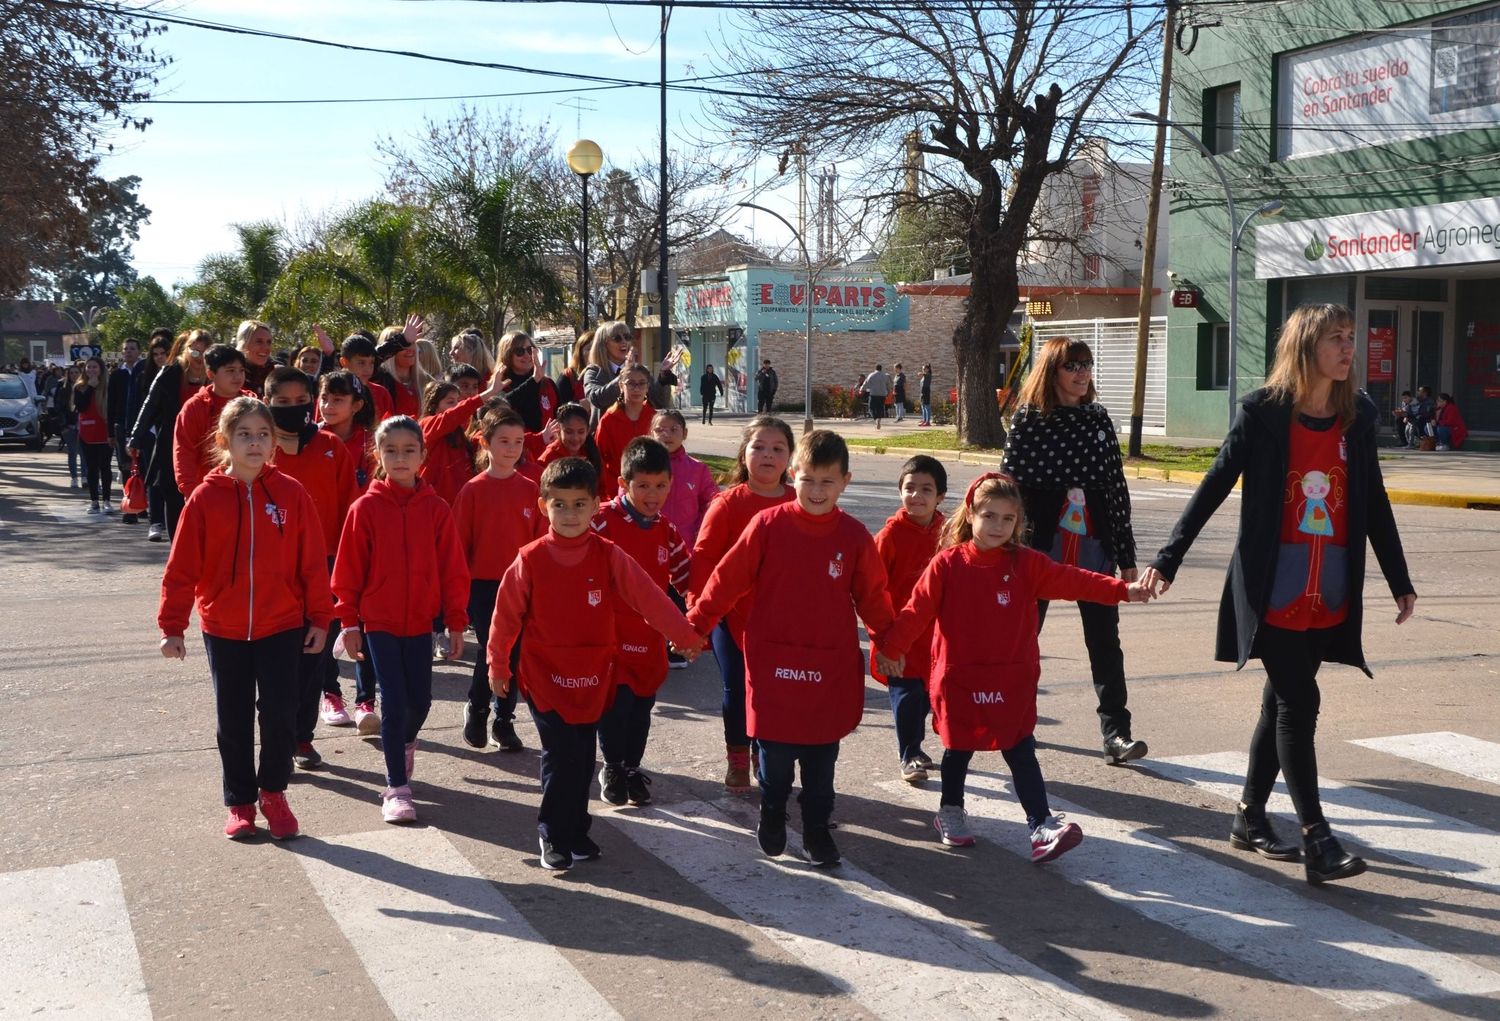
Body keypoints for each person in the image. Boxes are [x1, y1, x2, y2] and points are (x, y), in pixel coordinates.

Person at [1141, 302, 1417, 885]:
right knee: (1300, 703)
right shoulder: (1263, 414)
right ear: (1305, 347)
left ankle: (1248, 816)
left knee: (1280, 701)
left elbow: (1374, 502)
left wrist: (1399, 579)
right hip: (1274, 585)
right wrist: (1168, 559)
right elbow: (1214, 484)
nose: (1348, 348)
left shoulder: (1358, 416)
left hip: (1330, 584)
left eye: (1351, 337)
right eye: (1336, 339)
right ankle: (1317, 837)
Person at [879, 473, 1151, 858]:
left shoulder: (1027, 564)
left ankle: (1041, 825)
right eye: (989, 516)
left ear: (1018, 523)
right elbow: (915, 612)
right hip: (959, 677)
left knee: (1020, 748)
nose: (998, 526)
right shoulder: (947, 565)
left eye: (1008, 519)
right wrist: (891, 649)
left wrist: (1124, 590)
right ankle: (950, 812)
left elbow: (1075, 580)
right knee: (958, 748)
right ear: (970, 514)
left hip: (1011, 678)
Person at [688, 430, 896, 868]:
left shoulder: (855, 537)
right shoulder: (766, 525)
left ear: (845, 482)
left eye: (827, 481)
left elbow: (874, 598)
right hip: (772, 660)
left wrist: (889, 642)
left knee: (822, 760)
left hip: (829, 662)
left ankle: (818, 831)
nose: (816, 491)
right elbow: (727, 579)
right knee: (776, 757)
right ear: (793, 475)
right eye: (808, 480)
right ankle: (772, 811)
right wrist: (696, 625)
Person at [486, 457, 703, 870]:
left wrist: (685, 635)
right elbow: (505, 616)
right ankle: (552, 834)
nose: (570, 514)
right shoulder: (530, 559)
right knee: (560, 753)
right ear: (543, 504)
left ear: (596, 504)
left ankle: (577, 830)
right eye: (560, 504)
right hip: (544, 676)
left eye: (580, 504)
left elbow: (649, 597)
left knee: (584, 755)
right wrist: (499, 666)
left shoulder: (608, 555)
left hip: (592, 676)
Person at [158, 397, 333, 840]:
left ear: (274, 441)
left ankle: (273, 792)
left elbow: (312, 561)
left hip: (282, 625)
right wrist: (172, 626)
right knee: (231, 720)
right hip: (225, 628)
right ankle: (240, 802)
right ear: (224, 441)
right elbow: (181, 568)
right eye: (244, 435)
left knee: (280, 715)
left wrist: (320, 617)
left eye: (262, 435)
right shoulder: (205, 498)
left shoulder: (291, 494)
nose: (254, 443)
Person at [1002, 336, 1147, 766]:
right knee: (1024, 639)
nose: (1083, 373)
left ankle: (1116, 734)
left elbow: (1115, 490)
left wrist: (1126, 557)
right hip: (1039, 547)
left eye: (1087, 364)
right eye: (1073, 366)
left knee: (1105, 642)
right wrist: (1002, 551)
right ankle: (1016, 722)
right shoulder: (1029, 421)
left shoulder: (1098, 419)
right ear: (1053, 372)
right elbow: (1009, 490)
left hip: (1094, 546)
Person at [332, 415, 470, 824]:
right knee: (392, 701)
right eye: (390, 450)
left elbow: (453, 570)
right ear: (378, 454)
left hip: (422, 623)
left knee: (420, 701)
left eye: (409, 450)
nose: (400, 458)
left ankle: (406, 741)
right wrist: (349, 622)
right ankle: (396, 787)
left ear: (423, 456)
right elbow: (348, 570)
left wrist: (456, 621)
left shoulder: (437, 509)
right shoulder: (366, 508)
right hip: (379, 622)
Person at [687, 415, 795, 791]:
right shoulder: (727, 504)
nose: (768, 455)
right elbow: (703, 560)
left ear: (790, 458)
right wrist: (696, 616)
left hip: (782, 623)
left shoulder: (800, 502)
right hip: (730, 618)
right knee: (737, 687)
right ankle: (737, 756)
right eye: (759, 447)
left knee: (776, 692)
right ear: (743, 454)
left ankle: (765, 754)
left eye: (778, 448)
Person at [263, 366, 360, 771]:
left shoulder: (332, 448)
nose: (292, 408)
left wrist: (346, 570)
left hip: (323, 570)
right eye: (281, 402)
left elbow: (350, 512)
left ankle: (302, 738)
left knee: (312, 661)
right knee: (272, 670)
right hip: (269, 572)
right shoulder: (259, 449)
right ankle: (277, 742)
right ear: (267, 403)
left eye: (299, 401)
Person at [590, 437, 693, 807]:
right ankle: (613, 767)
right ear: (623, 483)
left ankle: (633, 768)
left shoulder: (666, 530)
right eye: (643, 485)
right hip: (610, 639)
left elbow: (688, 579)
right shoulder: (600, 521)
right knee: (615, 708)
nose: (653, 494)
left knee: (641, 710)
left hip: (650, 642)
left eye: (661, 485)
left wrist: (696, 620)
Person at [455, 403, 545, 752]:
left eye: (518, 441)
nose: (511, 448)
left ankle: (503, 720)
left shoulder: (530, 489)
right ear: (485, 443)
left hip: (521, 586)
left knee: (515, 652)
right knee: (492, 652)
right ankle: (477, 709)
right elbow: (458, 546)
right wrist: (457, 596)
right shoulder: (473, 491)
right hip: (483, 586)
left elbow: (541, 542)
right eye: (504, 441)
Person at [870, 455, 947, 783]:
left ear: (940, 497)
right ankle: (909, 755)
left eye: (926, 489)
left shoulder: (949, 534)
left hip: (934, 637)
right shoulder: (889, 537)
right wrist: (883, 637)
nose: (916, 495)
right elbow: (870, 589)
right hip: (897, 635)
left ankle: (916, 746)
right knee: (906, 695)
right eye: (909, 488)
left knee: (926, 696)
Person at [314, 370, 379, 731]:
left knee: (362, 623)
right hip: (322, 548)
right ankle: (330, 692)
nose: (328, 405)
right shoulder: (309, 441)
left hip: (361, 547)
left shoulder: (371, 443)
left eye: (338, 399)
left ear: (357, 405)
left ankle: (366, 699)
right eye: (324, 397)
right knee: (324, 622)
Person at [130, 329, 210, 540]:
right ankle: (176, 547)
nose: (199, 359)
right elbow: (149, 406)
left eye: (204, 353)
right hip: (172, 447)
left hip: (206, 450)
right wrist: (135, 438)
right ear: (186, 351)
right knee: (173, 497)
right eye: (194, 353)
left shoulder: (214, 377)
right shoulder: (170, 373)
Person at [173, 345, 255, 500]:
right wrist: (191, 491)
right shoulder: (194, 407)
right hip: (207, 490)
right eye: (230, 371)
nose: (238, 376)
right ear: (211, 374)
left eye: (241, 370)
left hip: (249, 489)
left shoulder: (252, 404)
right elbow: (184, 452)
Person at [651, 408, 718, 548]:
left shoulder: (698, 469)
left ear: (685, 433)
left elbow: (713, 503)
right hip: (650, 540)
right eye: (660, 430)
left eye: (674, 429)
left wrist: (700, 529)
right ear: (652, 433)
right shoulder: (643, 467)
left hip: (686, 544)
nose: (667, 434)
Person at [581, 320, 671, 421]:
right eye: (617, 338)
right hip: (607, 433)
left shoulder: (639, 370)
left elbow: (659, 402)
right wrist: (624, 374)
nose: (624, 342)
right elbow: (596, 399)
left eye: (627, 337)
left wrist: (664, 376)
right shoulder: (594, 371)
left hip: (637, 431)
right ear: (604, 344)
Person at [594, 363, 655, 501]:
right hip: (615, 492)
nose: (636, 389)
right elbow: (599, 460)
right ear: (621, 386)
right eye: (631, 384)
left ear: (647, 387)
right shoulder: (608, 420)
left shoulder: (654, 418)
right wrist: (608, 492)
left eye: (641, 384)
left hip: (650, 492)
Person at [108, 338, 149, 520]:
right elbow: (110, 404)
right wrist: (110, 432)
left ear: (139, 351)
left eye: (132, 348)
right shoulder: (117, 375)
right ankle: (130, 507)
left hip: (142, 426)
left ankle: (142, 506)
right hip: (121, 426)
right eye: (125, 349)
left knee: (142, 467)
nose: (128, 352)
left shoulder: (145, 372)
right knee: (125, 467)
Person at [495, 331, 560, 435]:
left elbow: (561, 416)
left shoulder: (547, 383)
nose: (526, 355)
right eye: (519, 351)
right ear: (507, 355)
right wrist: (534, 381)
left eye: (529, 350)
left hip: (548, 448)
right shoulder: (499, 385)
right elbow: (502, 405)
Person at [73, 356, 114, 515]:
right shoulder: (80, 387)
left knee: (105, 467)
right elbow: (81, 407)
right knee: (91, 468)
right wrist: (90, 388)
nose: (91, 370)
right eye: (89, 367)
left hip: (105, 432)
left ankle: (107, 501)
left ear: (101, 369)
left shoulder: (108, 386)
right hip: (87, 433)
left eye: (94, 367)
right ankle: (94, 501)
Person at [372, 316, 430, 419]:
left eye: (411, 343)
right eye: (404, 345)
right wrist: (402, 340)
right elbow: (370, 359)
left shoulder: (427, 381)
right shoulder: (378, 379)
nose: (409, 349)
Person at [538, 401, 603, 475]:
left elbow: (601, 484)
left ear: (587, 431)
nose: (575, 438)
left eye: (581, 432)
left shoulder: (591, 452)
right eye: (569, 432)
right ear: (559, 429)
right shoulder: (549, 457)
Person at [339, 334, 393, 422]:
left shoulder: (381, 393)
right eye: (361, 362)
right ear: (344, 362)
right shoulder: (332, 391)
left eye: (371, 363)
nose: (368, 369)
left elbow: (390, 429)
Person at [235, 320, 275, 396]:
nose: (265, 347)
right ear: (244, 344)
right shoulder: (229, 375)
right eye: (259, 341)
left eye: (269, 342)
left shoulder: (275, 375)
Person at [554, 331, 592, 406]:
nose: (593, 352)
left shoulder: (608, 374)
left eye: (596, 348)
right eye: (589, 349)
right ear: (580, 353)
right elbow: (559, 407)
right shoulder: (568, 376)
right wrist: (579, 405)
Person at [863, 363, 891, 429]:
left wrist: (862, 389)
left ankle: (876, 419)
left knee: (871, 408)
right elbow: (888, 385)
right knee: (880, 408)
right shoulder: (885, 376)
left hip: (873, 394)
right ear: (881, 369)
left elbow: (866, 383)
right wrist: (888, 392)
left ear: (875, 369)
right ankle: (879, 420)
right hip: (882, 395)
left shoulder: (871, 375)